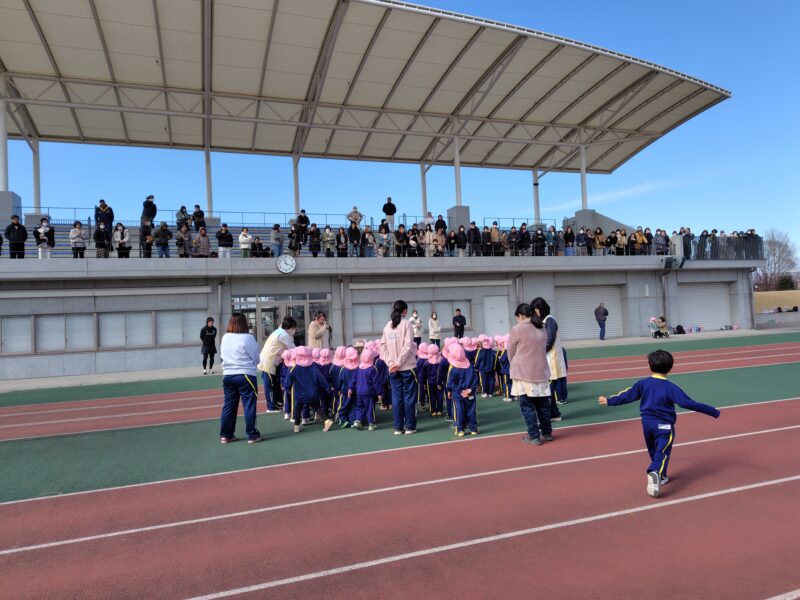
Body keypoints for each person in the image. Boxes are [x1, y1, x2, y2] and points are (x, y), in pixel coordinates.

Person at [599, 350, 720, 497]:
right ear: (671, 368)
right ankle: (654, 472)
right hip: (664, 426)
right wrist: (712, 411)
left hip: (647, 424)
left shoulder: (643, 383)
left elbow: (627, 395)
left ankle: (661, 476)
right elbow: (687, 403)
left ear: (649, 365)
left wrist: (609, 401)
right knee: (662, 452)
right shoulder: (672, 387)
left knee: (654, 451)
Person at [508, 303, 552, 444]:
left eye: (517, 317)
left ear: (521, 316)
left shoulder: (517, 329)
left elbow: (510, 351)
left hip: (523, 372)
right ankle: (547, 432)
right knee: (542, 405)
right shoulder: (541, 327)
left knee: (527, 406)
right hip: (541, 371)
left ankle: (534, 435)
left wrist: (513, 362)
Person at [219, 313, 262, 444]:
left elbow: (222, 355)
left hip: (228, 375)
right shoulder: (248, 338)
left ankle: (226, 435)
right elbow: (256, 358)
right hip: (245, 375)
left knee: (229, 406)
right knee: (249, 405)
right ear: (244, 323)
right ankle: (252, 435)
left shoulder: (225, 337)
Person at [380, 300, 419, 435]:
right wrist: (398, 362)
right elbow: (408, 346)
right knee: (409, 397)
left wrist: (391, 363)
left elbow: (382, 347)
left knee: (396, 397)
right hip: (407, 367)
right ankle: (409, 427)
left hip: (393, 369)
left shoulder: (387, 326)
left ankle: (398, 427)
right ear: (405, 311)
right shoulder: (406, 324)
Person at [532, 297, 565, 422]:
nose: (535, 313)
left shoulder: (550, 320)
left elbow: (549, 340)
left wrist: (537, 352)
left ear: (540, 308)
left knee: (547, 391)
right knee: (548, 390)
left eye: (535, 309)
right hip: (547, 361)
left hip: (552, 361)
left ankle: (546, 417)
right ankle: (555, 414)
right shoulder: (544, 321)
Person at [258, 316, 297, 414]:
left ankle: (275, 403)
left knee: (274, 383)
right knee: (269, 384)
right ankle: (270, 407)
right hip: (268, 361)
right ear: (288, 327)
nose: (294, 330)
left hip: (271, 360)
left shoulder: (279, 331)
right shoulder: (283, 335)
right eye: (293, 328)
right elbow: (292, 348)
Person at [287, 347, 329, 433]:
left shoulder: (296, 368)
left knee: (298, 408)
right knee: (316, 407)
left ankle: (296, 426)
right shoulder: (313, 366)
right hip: (312, 392)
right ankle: (327, 420)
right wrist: (327, 387)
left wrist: (287, 387)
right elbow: (321, 378)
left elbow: (289, 379)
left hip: (300, 392)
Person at [445, 343, 479, 437]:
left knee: (459, 412)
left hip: (458, 394)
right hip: (470, 393)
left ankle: (460, 430)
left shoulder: (454, 370)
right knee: (471, 411)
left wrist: (451, 391)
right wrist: (470, 389)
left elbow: (450, 383)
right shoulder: (470, 366)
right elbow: (475, 379)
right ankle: (473, 429)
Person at [346, 348, 381, 431]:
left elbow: (354, 379)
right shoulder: (372, 368)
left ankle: (358, 421)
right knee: (369, 408)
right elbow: (376, 382)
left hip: (359, 392)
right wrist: (379, 393)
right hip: (368, 393)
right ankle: (371, 424)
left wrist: (350, 388)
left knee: (360, 407)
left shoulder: (359, 368)